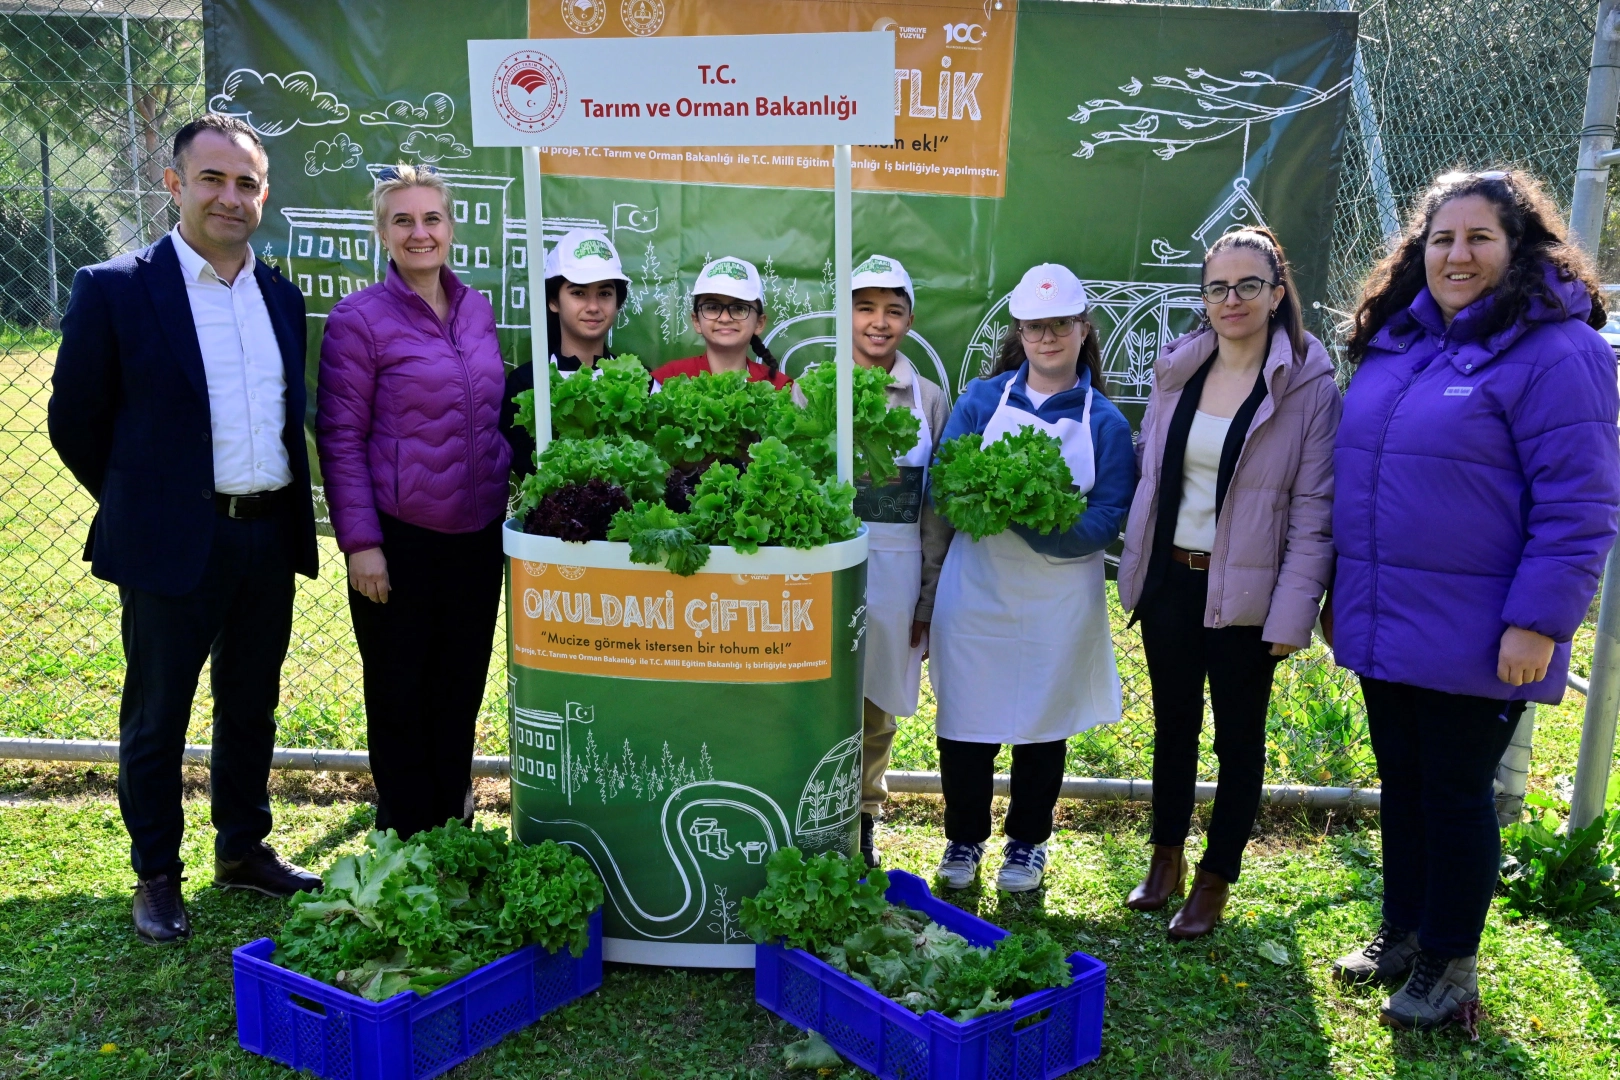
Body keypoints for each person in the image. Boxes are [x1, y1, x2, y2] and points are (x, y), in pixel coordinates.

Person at [1328, 169, 1620, 1030]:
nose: (1456, 255)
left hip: (1485, 632)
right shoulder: (1402, 341)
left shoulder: (1558, 353)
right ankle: (1405, 934)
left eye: (1478, 238)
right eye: (1441, 239)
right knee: (1406, 785)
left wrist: (1538, 623)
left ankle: (1451, 965)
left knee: (1455, 797)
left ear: (1519, 246)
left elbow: (1579, 505)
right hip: (1387, 617)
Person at [48, 113, 321, 943]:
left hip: (265, 534)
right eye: (212, 179)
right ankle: (157, 875)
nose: (229, 197)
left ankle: (242, 849)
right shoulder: (117, 289)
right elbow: (75, 421)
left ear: (262, 196)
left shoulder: (280, 294)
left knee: (252, 703)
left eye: (246, 183)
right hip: (171, 543)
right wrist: (148, 501)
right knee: (158, 713)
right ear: (175, 185)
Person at [1116, 228, 1340, 939]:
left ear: (1278, 293)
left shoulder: (1307, 384)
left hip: (1247, 596)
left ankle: (1216, 878)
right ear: (1204, 299)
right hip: (1172, 585)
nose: (1232, 300)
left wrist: (1291, 613)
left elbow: (1313, 510)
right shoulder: (1180, 371)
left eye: (1248, 286)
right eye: (1218, 287)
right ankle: (1165, 858)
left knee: (1239, 741)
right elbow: (1155, 476)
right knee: (1173, 728)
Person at [316, 164, 512, 841]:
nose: (419, 232)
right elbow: (340, 439)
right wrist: (361, 544)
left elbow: (488, 416)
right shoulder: (357, 321)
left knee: (459, 687)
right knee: (401, 692)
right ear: (383, 232)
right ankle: (404, 831)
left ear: (451, 228)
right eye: (403, 220)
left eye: (431, 218)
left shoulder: (477, 308)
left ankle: (451, 823)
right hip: (400, 537)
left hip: (477, 533)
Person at [929, 264, 1135, 893]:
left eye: (1060, 325)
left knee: (1044, 724)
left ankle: (1027, 843)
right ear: (1019, 331)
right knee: (965, 720)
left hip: (1058, 597)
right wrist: (996, 501)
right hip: (977, 590)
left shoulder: (1107, 423)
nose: (1047, 337)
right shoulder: (981, 400)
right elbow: (945, 480)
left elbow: (1106, 518)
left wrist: (1035, 525)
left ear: (1082, 329)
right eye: (1035, 326)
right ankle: (963, 840)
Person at [843, 255, 953, 868]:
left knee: (877, 706)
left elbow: (936, 512)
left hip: (899, 567)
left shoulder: (929, 399)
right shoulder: (816, 387)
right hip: (831, 567)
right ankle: (813, 808)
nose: (878, 323)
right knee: (822, 694)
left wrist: (929, 596)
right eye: (865, 308)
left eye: (892, 310)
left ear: (909, 319)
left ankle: (863, 815)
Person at [499, 228, 630, 479]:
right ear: (553, 301)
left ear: (617, 303)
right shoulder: (524, 386)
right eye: (578, 293)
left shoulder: (643, 383)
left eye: (604, 293)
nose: (593, 307)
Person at [650, 256, 791, 388]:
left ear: (759, 323)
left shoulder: (782, 388)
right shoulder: (667, 380)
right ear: (696, 321)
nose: (725, 318)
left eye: (739, 308)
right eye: (712, 307)